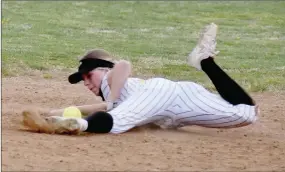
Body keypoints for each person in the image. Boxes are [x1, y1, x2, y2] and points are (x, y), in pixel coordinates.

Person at [44, 23, 259, 135]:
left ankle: (78, 126)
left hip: (158, 94)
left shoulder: (112, 78)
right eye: (83, 79)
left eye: (89, 75)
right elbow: (100, 106)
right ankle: (205, 61)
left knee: (119, 121)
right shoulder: (110, 95)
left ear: (103, 68)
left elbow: (123, 65)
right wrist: (55, 112)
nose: (87, 83)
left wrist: (112, 101)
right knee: (245, 114)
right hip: (179, 99)